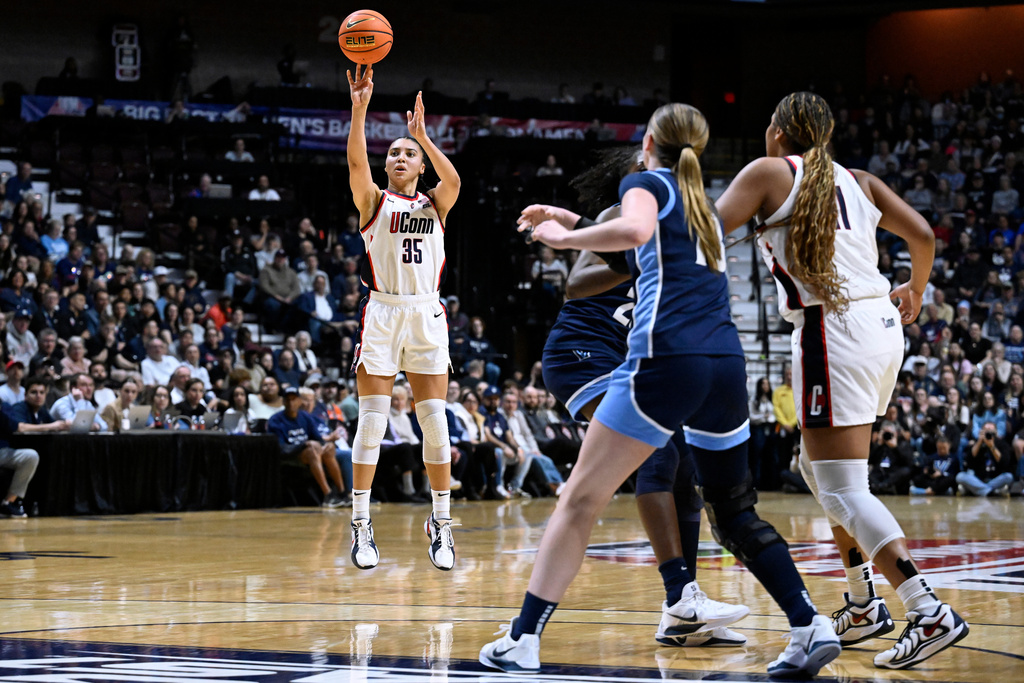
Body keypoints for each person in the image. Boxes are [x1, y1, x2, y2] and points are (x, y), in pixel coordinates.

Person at [481, 102, 837, 677]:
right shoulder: (706, 208)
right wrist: (573, 219)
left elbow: (637, 228)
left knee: (578, 501)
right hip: (725, 363)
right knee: (735, 512)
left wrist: (557, 237)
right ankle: (807, 623)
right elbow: (641, 247)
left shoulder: (643, 180)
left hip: (667, 359)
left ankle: (521, 640)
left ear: (648, 142)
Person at [715, 91, 968, 670]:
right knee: (818, 469)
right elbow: (924, 236)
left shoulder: (769, 172)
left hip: (835, 330)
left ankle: (927, 609)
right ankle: (861, 604)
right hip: (882, 324)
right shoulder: (860, 180)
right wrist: (917, 289)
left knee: (844, 488)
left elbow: (701, 228)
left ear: (778, 131)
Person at [345, 64, 461, 571]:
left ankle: (440, 522)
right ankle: (360, 524)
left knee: (434, 424)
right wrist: (360, 108)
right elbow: (355, 164)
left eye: (406, 154)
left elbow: (454, 178)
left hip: (425, 313)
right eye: (392, 152)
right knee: (371, 423)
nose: (398, 157)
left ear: (419, 166)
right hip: (383, 310)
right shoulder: (374, 201)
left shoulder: (437, 203)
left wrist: (424, 137)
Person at [267, 387, 346, 507]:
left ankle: (342, 493)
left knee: (329, 448)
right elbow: (281, 449)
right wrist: (304, 444)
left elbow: (318, 438)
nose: (290, 403)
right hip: (291, 456)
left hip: (309, 450)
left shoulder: (305, 417)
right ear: (283, 402)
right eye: (287, 400)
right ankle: (328, 495)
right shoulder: (276, 420)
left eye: (294, 399)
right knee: (311, 451)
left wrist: (324, 445)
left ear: (299, 401)